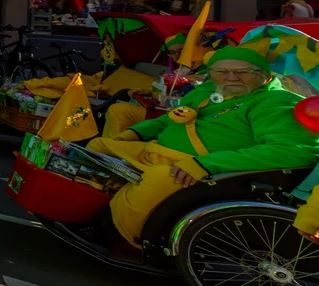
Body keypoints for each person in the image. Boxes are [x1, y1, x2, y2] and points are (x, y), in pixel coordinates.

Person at [85, 44, 319, 247]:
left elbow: (293, 151)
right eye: (221, 72)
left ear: (265, 77)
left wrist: (205, 164)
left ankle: (113, 233)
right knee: (97, 146)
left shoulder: (277, 102)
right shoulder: (207, 92)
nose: (231, 78)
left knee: (160, 180)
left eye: (243, 72)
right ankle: (89, 208)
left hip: (209, 172)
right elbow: (168, 118)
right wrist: (133, 133)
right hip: (156, 152)